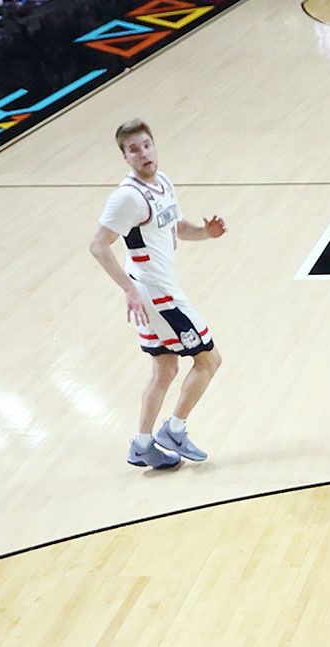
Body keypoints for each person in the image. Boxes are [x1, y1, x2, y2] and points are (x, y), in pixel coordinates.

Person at [90, 118, 227, 470]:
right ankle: (174, 429)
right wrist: (129, 289)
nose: (143, 153)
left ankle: (141, 444)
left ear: (154, 145)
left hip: (159, 290)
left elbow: (177, 228)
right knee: (209, 360)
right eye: (133, 149)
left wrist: (205, 233)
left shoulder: (163, 183)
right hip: (157, 296)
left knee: (164, 369)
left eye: (146, 145)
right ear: (125, 157)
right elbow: (98, 245)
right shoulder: (127, 197)